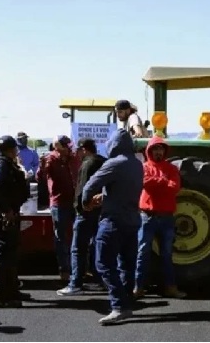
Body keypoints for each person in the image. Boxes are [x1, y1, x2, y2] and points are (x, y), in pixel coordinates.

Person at [82, 129, 143, 325]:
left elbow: (90, 186)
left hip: (113, 221)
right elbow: (124, 190)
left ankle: (118, 306)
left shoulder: (113, 163)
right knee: (127, 265)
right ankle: (126, 303)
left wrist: (86, 203)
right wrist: (107, 197)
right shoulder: (137, 164)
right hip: (133, 220)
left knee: (104, 263)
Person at [133, 136, 186, 299]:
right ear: (149, 151)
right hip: (147, 217)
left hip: (166, 217)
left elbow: (174, 187)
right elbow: (145, 183)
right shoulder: (143, 167)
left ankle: (170, 287)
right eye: (155, 149)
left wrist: (158, 184)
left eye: (161, 149)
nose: (158, 151)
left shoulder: (171, 168)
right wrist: (163, 181)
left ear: (164, 151)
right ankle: (138, 287)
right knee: (142, 252)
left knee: (167, 254)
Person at [0, 135, 29, 308]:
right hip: (1, 216)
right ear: (11, 149)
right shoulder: (0, 164)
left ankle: (10, 291)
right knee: (2, 255)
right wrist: (6, 210)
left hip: (6, 214)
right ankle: (0, 295)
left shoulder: (6, 163)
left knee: (9, 255)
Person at [57, 138, 107, 296]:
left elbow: (82, 188)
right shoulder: (104, 162)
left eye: (78, 150)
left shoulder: (87, 164)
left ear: (84, 149)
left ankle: (75, 283)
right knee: (96, 246)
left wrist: (79, 207)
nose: (76, 153)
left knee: (78, 248)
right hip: (101, 210)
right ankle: (101, 280)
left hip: (86, 212)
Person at [37, 135, 80, 281]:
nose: (70, 148)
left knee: (79, 235)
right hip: (59, 203)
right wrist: (41, 167)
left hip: (75, 202)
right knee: (61, 238)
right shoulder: (50, 159)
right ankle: (64, 270)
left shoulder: (74, 158)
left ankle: (79, 269)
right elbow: (40, 177)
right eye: (66, 146)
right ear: (58, 147)